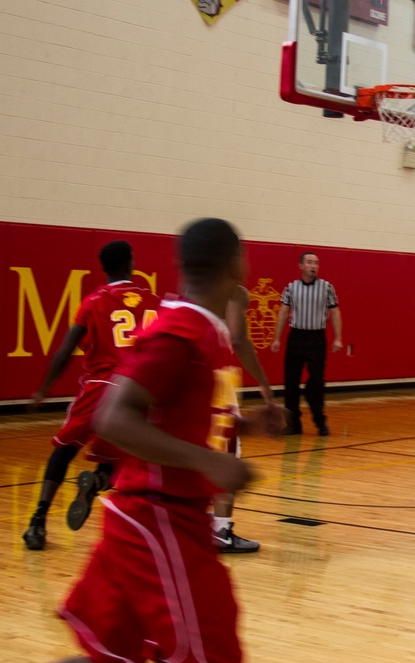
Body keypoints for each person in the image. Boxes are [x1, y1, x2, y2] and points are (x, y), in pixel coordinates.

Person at [59, 217, 282, 662]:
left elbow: (186, 417)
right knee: (211, 649)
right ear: (238, 264)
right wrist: (207, 461)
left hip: (164, 518)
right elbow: (112, 417)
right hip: (156, 516)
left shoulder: (207, 331)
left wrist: (248, 425)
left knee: (113, 655)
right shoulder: (180, 330)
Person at [22, 240, 162, 551]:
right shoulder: (153, 301)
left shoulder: (93, 301)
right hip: (135, 391)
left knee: (64, 449)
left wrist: (43, 389)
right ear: (130, 264)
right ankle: (97, 482)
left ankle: (38, 521)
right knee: (122, 456)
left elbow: (65, 351)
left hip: (100, 388)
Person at [209, 284, 281, 553]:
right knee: (228, 455)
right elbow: (238, 339)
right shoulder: (234, 292)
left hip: (190, 383)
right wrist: (264, 384)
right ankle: (221, 531)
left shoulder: (187, 296)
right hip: (217, 385)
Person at [270, 251, 343, 436]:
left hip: (317, 338)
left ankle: (320, 421)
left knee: (316, 382)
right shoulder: (291, 287)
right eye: (309, 262)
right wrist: (277, 338)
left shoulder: (327, 287)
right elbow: (284, 313)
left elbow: (335, 312)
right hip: (296, 337)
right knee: (291, 382)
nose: (313, 266)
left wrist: (338, 337)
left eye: (316, 263)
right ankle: (293, 424)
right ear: (301, 265)